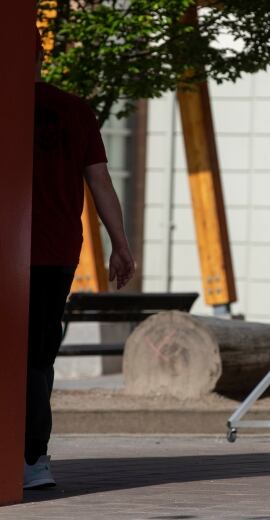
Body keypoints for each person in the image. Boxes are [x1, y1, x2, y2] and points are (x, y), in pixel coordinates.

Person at [25, 28, 135, 489]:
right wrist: (120, 243)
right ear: (41, 55)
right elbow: (100, 182)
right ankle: (34, 461)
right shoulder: (75, 110)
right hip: (55, 253)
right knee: (38, 357)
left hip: (15, 252)